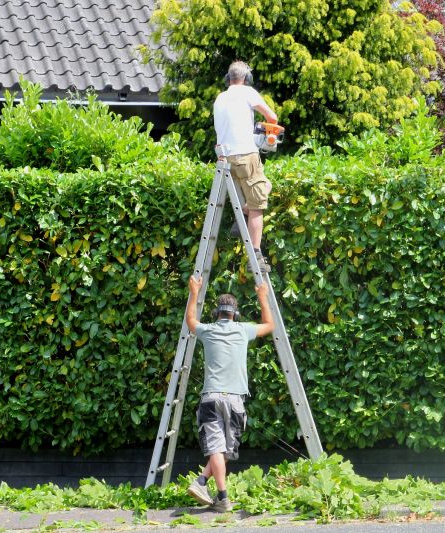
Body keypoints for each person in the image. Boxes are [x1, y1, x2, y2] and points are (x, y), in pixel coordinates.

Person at [184, 274, 275, 512]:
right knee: (223, 450)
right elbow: (269, 325)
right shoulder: (243, 330)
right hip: (235, 400)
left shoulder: (208, 330)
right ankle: (218, 494)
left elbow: (191, 321)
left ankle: (207, 486)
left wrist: (194, 292)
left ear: (217, 313)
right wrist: (262, 297)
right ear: (235, 314)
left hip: (211, 398)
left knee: (217, 448)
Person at [213, 60, 278, 272]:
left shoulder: (220, 98)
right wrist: (265, 131)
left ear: (228, 78)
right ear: (246, 78)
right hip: (246, 154)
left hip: (225, 159)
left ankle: (240, 220)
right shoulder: (248, 92)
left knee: (261, 188)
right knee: (259, 204)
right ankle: (255, 256)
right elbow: (272, 117)